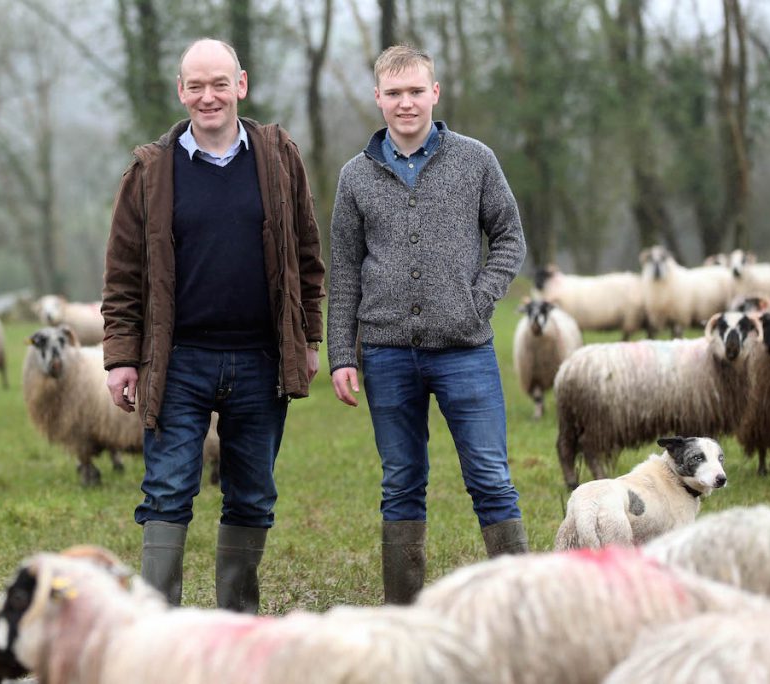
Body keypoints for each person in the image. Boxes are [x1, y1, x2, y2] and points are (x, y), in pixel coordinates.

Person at [102, 38, 325, 614]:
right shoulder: (151, 170)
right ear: (181, 91)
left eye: (219, 83)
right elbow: (124, 272)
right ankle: (156, 633)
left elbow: (306, 254)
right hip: (178, 361)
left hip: (260, 359)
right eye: (196, 86)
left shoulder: (278, 156)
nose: (209, 97)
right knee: (168, 492)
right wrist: (122, 354)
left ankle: (237, 628)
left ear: (241, 85)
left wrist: (309, 338)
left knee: (251, 497)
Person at [327, 44, 529, 605]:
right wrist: (342, 353)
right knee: (400, 484)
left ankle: (521, 603)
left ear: (434, 93)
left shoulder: (475, 160)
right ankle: (403, 613)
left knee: (490, 477)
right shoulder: (355, 176)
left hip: (465, 349)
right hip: (386, 354)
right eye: (394, 93)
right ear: (378, 99)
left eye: (416, 91)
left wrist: (477, 301)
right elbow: (343, 267)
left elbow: (510, 238)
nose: (405, 102)